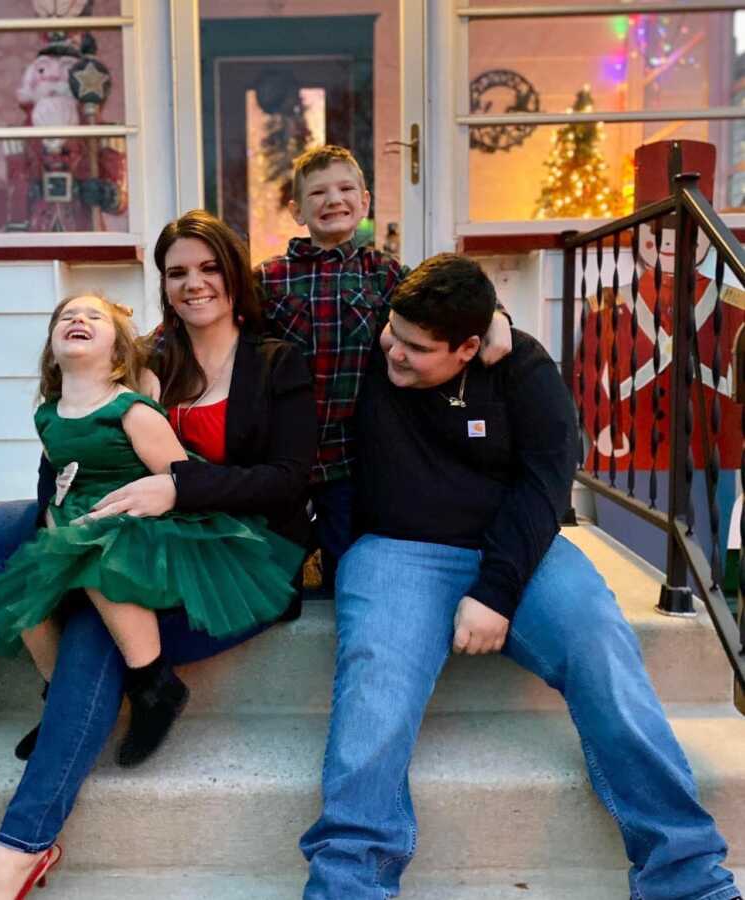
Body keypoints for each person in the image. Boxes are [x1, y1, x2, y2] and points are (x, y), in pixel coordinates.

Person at [0, 210, 316, 900]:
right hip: (137, 544)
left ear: (234, 275)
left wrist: (176, 488)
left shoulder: (277, 361)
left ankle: (21, 847)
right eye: (177, 272)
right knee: (9, 524)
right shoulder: (153, 358)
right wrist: (51, 535)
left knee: (95, 627)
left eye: (209, 268)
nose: (194, 284)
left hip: (240, 560)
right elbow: (71, 448)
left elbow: (290, 478)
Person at [300, 253, 741, 900]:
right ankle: (349, 885)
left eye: (418, 349)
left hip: (518, 550)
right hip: (396, 550)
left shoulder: (525, 371)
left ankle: (687, 878)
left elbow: (543, 490)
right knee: (376, 691)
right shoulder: (377, 342)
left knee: (603, 650)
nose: (394, 353)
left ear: (470, 347)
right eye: (395, 334)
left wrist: (494, 593)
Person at [0, 292, 302, 769]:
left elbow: (178, 479)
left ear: (118, 352)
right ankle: (63, 700)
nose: (78, 319)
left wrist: (129, 514)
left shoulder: (131, 410)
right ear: (51, 351)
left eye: (92, 316)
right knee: (27, 599)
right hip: (82, 521)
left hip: (147, 522)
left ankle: (153, 684)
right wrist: (57, 524)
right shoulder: (49, 415)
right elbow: (60, 480)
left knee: (105, 561)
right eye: (67, 316)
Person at [257, 144, 512, 589]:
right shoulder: (269, 277)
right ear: (297, 211)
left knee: (346, 556)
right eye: (317, 193)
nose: (333, 199)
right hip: (284, 448)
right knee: (279, 567)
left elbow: (450, 297)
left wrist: (496, 317)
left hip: (352, 453)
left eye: (345, 188)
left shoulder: (384, 273)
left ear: (365, 201)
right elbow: (221, 320)